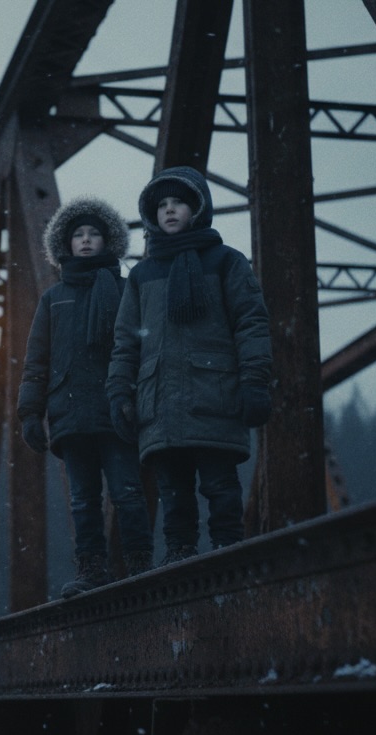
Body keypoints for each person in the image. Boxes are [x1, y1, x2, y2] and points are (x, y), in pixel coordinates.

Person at [107, 166, 271, 564]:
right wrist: (118, 392)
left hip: (215, 395)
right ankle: (180, 563)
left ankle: (229, 555)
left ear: (198, 207)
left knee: (221, 487)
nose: (169, 210)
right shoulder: (142, 274)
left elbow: (251, 323)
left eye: (178, 201)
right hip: (160, 404)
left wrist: (255, 381)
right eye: (161, 204)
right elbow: (125, 340)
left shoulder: (227, 262)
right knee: (173, 494)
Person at [17, 196, 155, 598]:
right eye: (78, 234)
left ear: (109, 240)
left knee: (128, 492)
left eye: (95, 233)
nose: (87, 240)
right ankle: (92, 571)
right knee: (83, 501)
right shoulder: (53, 298)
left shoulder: (128, 289)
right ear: (66, 243)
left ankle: (139, 565)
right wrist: (29, 412)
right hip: (71, 413)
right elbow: (36, 360)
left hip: (117, 410)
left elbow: (144, 350)